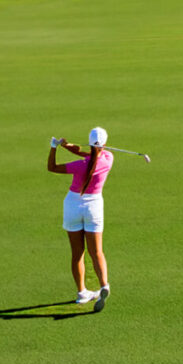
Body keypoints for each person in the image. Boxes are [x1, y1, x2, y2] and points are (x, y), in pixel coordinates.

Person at [48, 127, 114, 305]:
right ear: (105, 144)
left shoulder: (80, 165)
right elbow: (88, 153)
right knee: (97, 251)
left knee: (77, 253)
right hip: (94, 208)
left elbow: (52, 167)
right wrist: (68, 145)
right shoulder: (108, 159)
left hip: (72, 207)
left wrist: (54, 147)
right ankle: (104, 285)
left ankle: (82, 292)